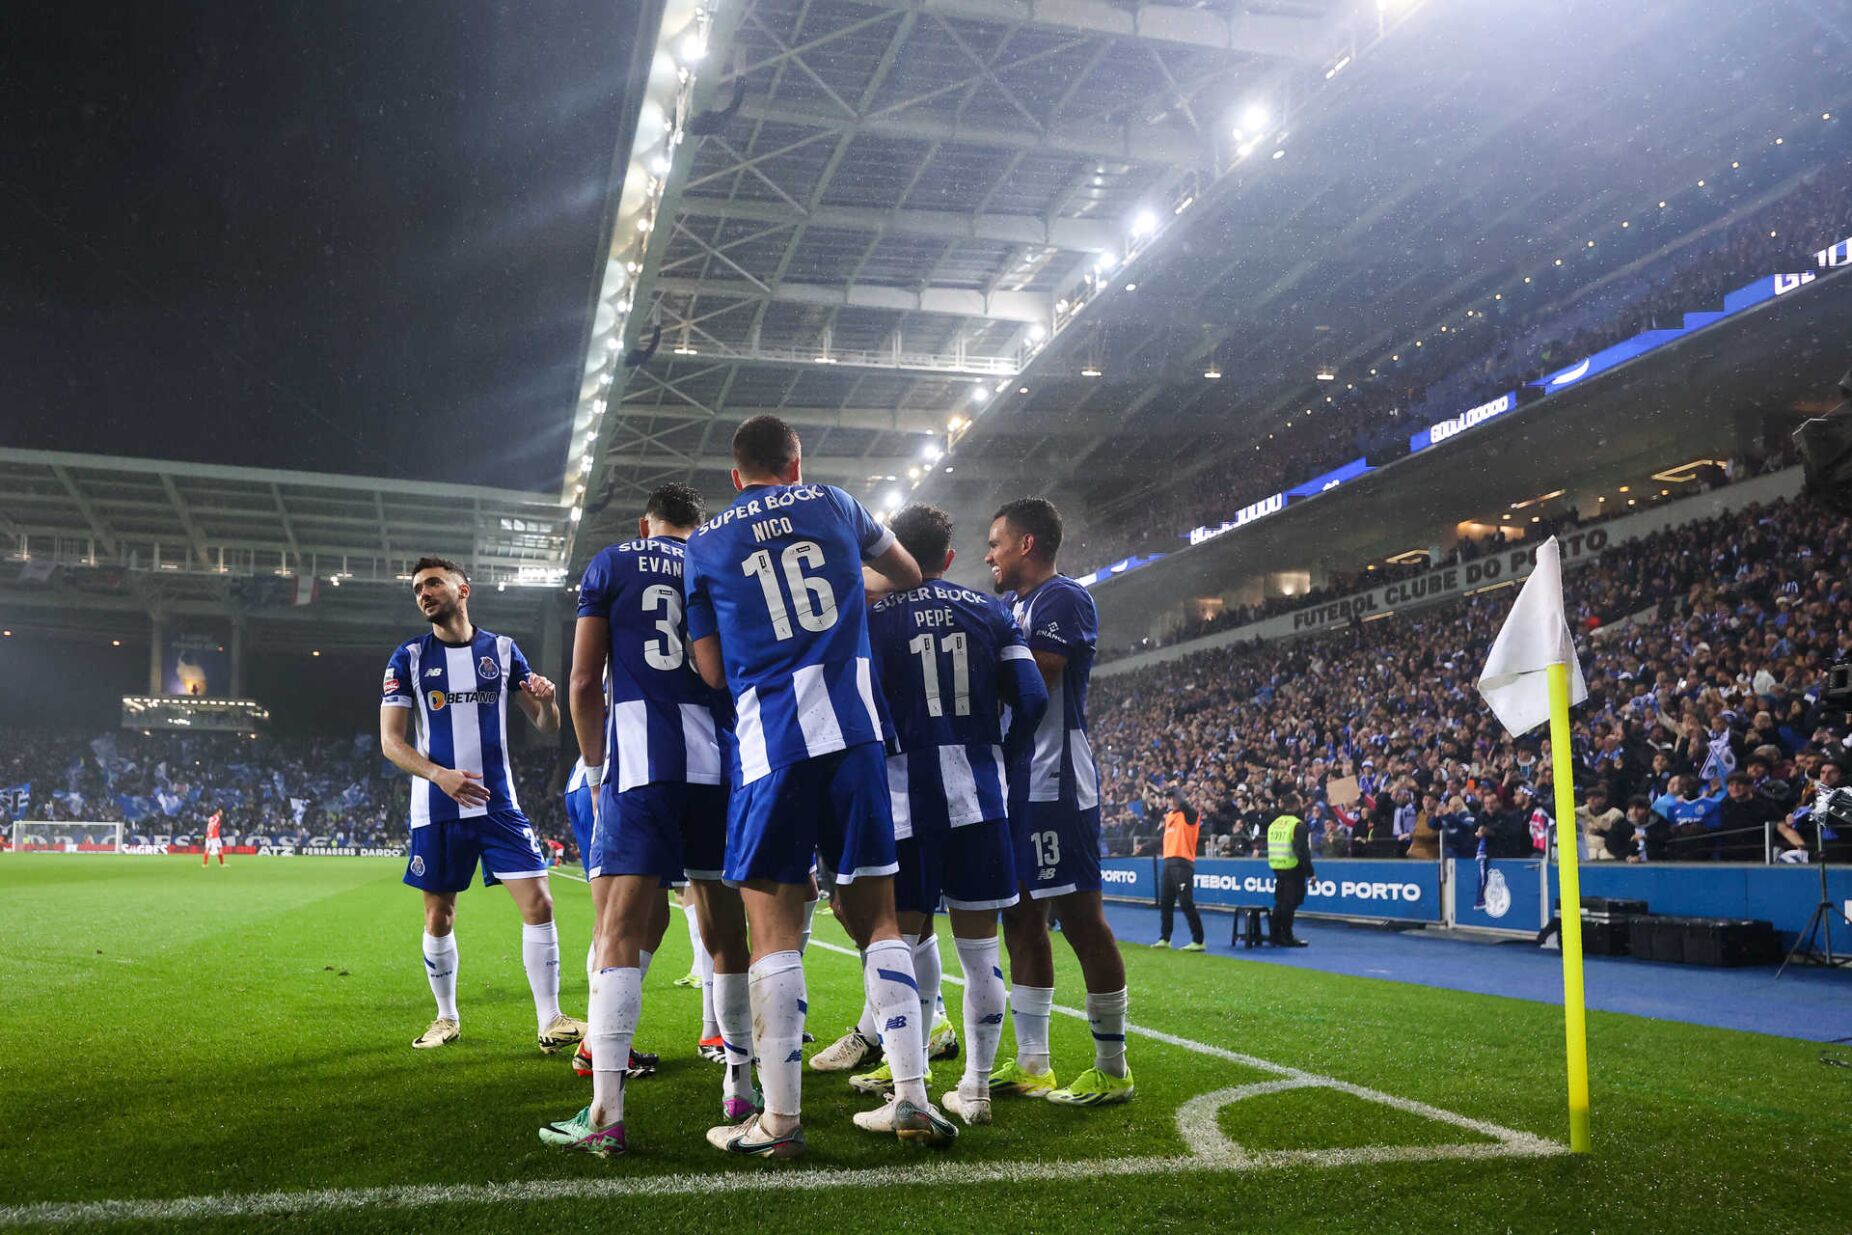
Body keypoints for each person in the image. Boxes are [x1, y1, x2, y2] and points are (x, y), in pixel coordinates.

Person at [683, 415, 945, 1158]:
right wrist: (844, 593)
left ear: (737, 476)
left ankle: (781, 1123)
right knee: (881, 921)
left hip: (773, 740)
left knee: (772, 926)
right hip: (857, 731)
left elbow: (707, 668)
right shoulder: (835, 503)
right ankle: (913, 1098)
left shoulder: (706, 542)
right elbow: (907, 574)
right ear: (796, 465)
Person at [540, 484, 753, 1158]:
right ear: (699, 523)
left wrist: (597, 774)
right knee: (726, 931)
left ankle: (606, 1110)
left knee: (619, 930)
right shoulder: (721, 559)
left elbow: (580, 683)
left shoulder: (612, 562)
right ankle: (742, 1087)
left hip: (640, 763)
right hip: (718, 763)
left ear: (646, 522)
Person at [836, 504, 1049, 1126]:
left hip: (900, 804)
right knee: (981, 953)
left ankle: (912, 1092)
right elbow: (1031, 697)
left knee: (896, 942)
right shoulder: (991, 611)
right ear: (950, 559)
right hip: (979, 798)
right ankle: (977, 1092)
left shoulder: (870, 618)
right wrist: (997, 756)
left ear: (892, 552)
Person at [378, 556, 582, 1053]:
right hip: (437, 807)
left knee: (540, 904)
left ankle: (550, 1019)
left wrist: (550, 701)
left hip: (498, 804)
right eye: (417, 589)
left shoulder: (504, 651)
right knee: (439, 916)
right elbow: (390, 741)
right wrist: (438, 774)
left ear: (462, 589)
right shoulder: (407, 658)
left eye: (432, 583)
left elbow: (547, 726)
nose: (423, 593)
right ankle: (446, 1017)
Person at [986, 497, 1134, 1107]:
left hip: (1057, 784)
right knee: (1019, 918)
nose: (988, 554)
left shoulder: (1063, 597)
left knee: (1080, 921)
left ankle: (1112, 1067)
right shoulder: (1008, 606)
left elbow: (1038, 675)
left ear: (1026, 544)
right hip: (1016, 784)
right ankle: (1033, 1065)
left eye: (996, 542)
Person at [559, 756, 662, 1085]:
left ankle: (600, 1044)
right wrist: (594, 779)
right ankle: (598, 1048)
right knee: (618, 920)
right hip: (614, 777)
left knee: (652, 917)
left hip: (615, 775)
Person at [1152, 786, 1205, 951]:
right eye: (1168, 798)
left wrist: (1179, 794)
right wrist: (1144, 846)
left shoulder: (1190, 815)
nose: (1170, 800)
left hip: (1183, 863)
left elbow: (1185, 806)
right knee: (1166, 902)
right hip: (1168, 862)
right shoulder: (1169, 817)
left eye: (1172, 797)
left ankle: (1198, 940)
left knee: (1186, 902)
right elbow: (1163, 839)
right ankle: (1165, 938)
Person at [1267, 794, 1313, 947]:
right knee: (1289, 904)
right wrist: (1310, 872)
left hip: (1277, 866)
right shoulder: (1297, 825)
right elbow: (1302, 851)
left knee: (1280, 902)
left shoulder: (1274, 823)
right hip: (1293, 867)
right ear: (1295, 805)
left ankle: (1275, 935)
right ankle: (1287, 936)